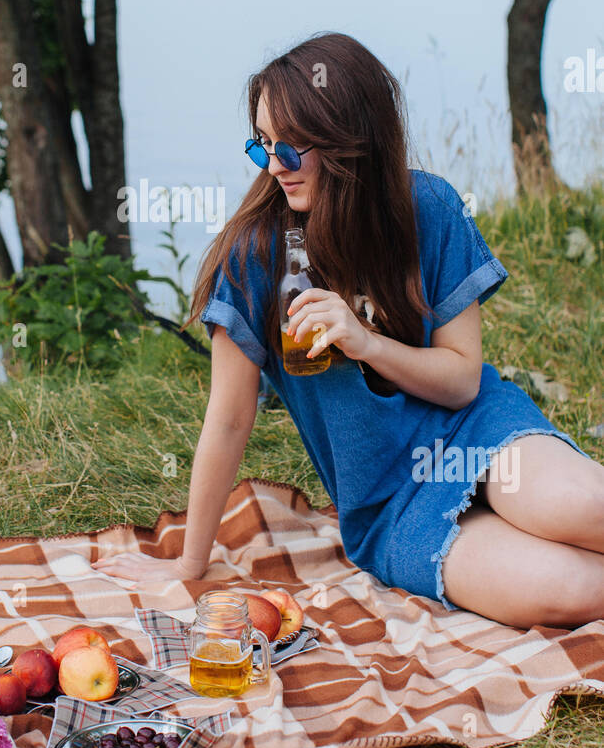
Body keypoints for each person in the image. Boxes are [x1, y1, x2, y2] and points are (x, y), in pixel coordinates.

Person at [93, 33, 604, 629]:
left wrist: (365, 341)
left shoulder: (430, 210)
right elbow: (229, 418)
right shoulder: (253, 258)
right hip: (390, 504)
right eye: (262, 147)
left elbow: (463, 382)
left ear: (350, 139)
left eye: (291, 147)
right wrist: (189, 565)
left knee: (587, 506)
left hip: (478, 430)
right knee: (566, 590)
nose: (275, 166)